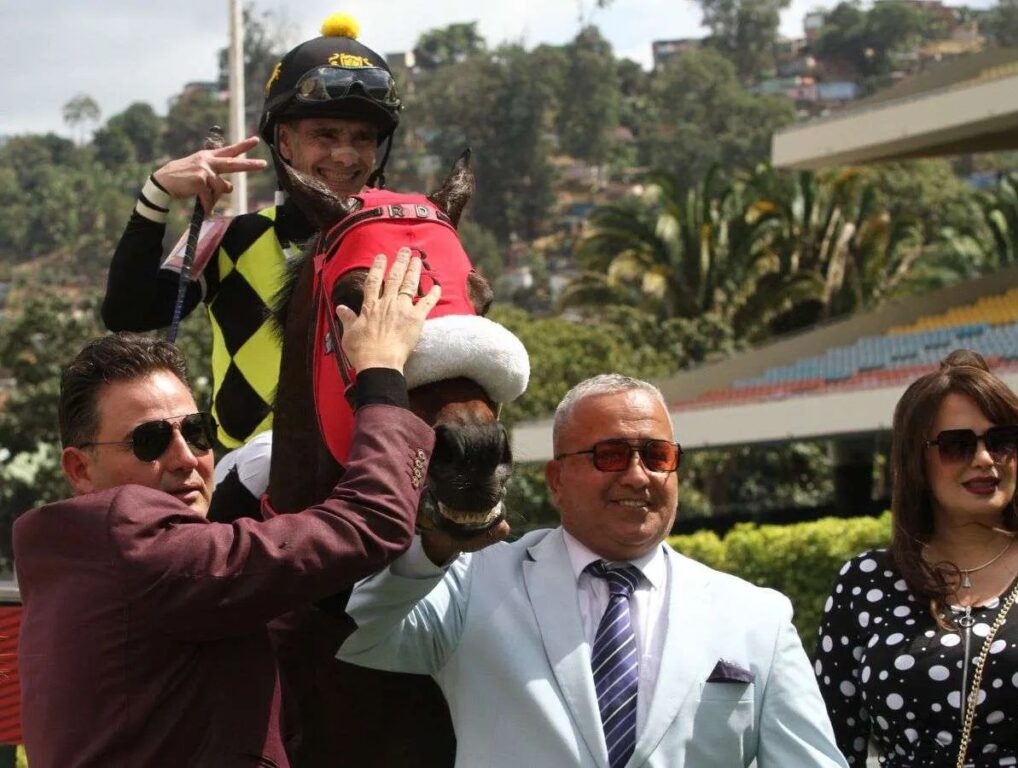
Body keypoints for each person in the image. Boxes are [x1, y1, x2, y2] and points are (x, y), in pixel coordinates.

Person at [14, 253, 440, 767]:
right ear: (79, 469)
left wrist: (433, 554)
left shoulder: (75, 559)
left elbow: (268, 637)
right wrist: (381, 371)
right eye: (150, 440)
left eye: (197, 431)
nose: (186, 458)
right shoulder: (133, 538)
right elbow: (371, 521)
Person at [338, 373, 847, 767]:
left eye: (657, 455)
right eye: (610, 455)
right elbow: (363, 634)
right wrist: (435, 546)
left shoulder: (758, 618)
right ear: (556, 479)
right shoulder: (473, 580)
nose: (638, 476)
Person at [101, 13, 401, 462]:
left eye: (362, 138)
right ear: (284, 142)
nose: (345, 154)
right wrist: (156, 193)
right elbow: (128, 313)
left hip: (370, 474)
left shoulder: (403, 242)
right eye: (324, 134)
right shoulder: (230, 239)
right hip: (246, 483)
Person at [815, 349, 1018, 767]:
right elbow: (829, 746)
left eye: (1001, 441)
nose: (985, 459)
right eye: (956, 445)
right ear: (916, 461)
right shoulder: (865, 582)